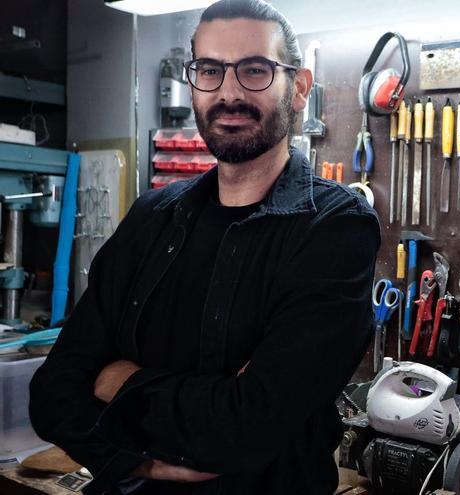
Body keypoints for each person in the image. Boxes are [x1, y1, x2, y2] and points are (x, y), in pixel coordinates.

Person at [29, 1, 380, 493]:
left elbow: (243, 430)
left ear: (298, 88)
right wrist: (142, 464)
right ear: (193, 82)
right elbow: (51, 394)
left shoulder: (335, 227)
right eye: (210, 70)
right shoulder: (152, 217)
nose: (229, 93)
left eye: (255, 70)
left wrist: (120, 381)